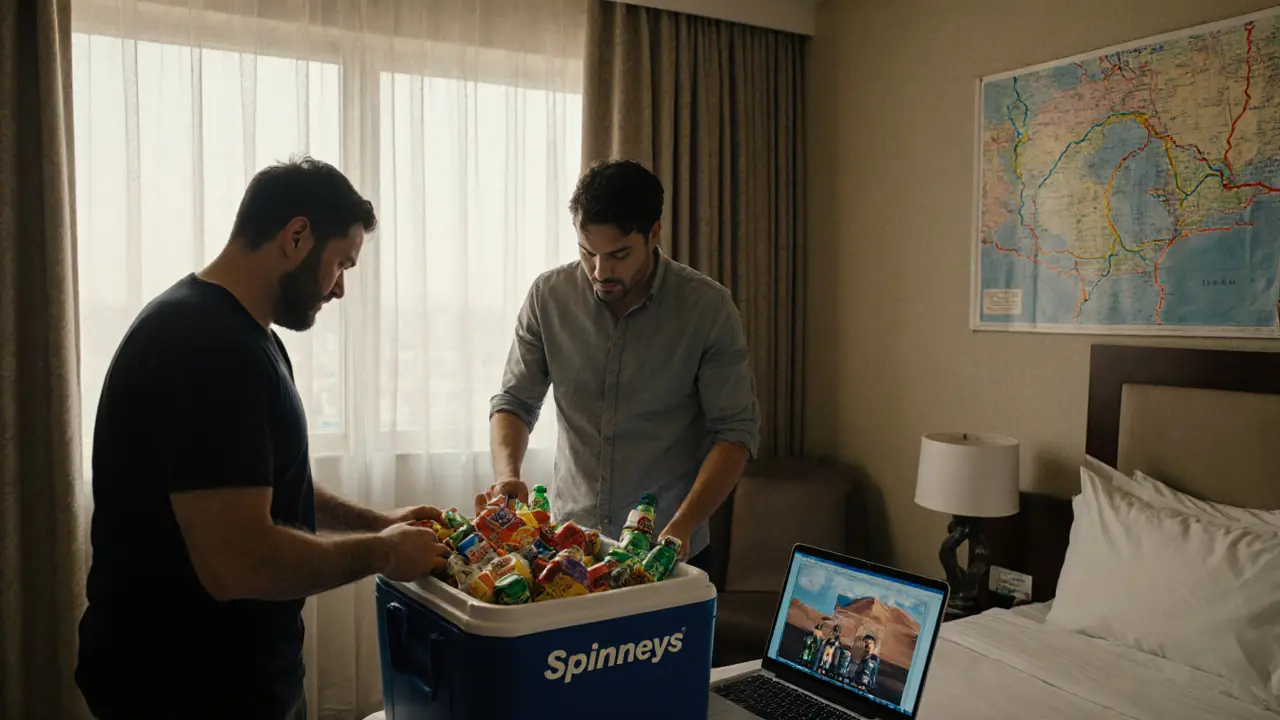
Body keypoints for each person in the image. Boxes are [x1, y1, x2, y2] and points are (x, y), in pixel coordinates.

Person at [75, 157, 450, 720]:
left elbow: (264, 483)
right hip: (187, 686)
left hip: (225, 673)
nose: (340, 288)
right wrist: (385, 553)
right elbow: (239, 563)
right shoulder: (208, 348)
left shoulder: (238, 334)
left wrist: (377, 520)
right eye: (341, 263)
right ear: (296, 236)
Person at [482, 159, 761, 571]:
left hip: (670, 554)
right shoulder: (548, 297)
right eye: (586, 252)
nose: (600, 271)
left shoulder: (708, 309)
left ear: (653, 234)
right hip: (569, 552)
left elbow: (735, 434)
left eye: (618, 255)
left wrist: (680, 528)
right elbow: (514, 402)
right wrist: (508, 475)